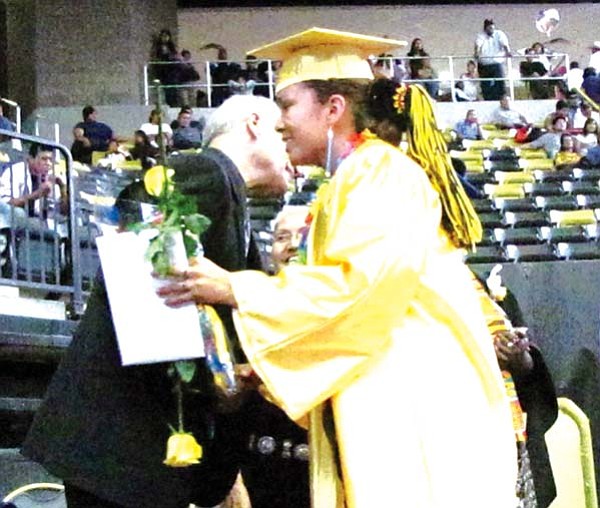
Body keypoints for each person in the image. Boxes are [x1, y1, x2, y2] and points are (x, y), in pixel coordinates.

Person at [156, 27, 517, 508]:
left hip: (416, 406)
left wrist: (234, 289)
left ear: (332, 110)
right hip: (396, 397)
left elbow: (357, 289)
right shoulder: (352, 180)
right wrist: (267, 371)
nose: (280, 123)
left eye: (287, 106)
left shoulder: (380, 174)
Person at [21, 95, 291, 508]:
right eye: (280, 131)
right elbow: (136, 209)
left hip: (135, 449)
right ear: (253, 123)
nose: (290, 148)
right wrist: (217, 371)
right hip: (122, 440)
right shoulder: (209, 168)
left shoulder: (232, 198)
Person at [0, 143, 67, 219]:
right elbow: (6, 205)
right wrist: (37, 194)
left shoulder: (54, 177)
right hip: (15, 224)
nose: (48, 163)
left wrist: (62, 187)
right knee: (19, 213)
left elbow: (64, 212)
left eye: (51, 160)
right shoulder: (15, 171)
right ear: (31, 159)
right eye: (44, 159)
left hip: (42, 225)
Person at [475, 19, 511, 100]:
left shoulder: (499, 34)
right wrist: (476, 53)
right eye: (489, 29)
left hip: (496, 62)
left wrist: (507, 52)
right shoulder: (481, 35)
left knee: (500, 82)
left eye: (492, 28)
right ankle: (487, 98)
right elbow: (478, 45)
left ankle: (501, 97)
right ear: (485, 29)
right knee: (485, 84)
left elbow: (504, 44)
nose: (491, 30)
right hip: (484, 64)